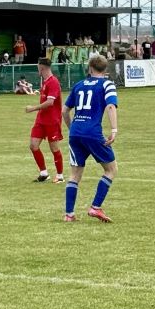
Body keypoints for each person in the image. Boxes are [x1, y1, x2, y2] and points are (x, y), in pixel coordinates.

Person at [62, 54, 118, 223]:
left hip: (75, 133)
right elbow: (110, 106)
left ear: (90, 68)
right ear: (105, 69)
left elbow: (64, 111)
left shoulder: (79, 85)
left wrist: (72, 128)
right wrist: (114, 129)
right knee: (111, 169)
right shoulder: (107, 84)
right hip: (93, 132)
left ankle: (69, 214)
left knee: (74, 174)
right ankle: (95, 207)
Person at [26, 58, 65, 184]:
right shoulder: (45, 82)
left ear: (41, 67)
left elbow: (50, 102)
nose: (37, 69)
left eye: (38, 67)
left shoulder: (53, 82)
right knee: (33, 145)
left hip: (52, 120)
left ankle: (60, 175)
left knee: (54, 148)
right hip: (41, 120)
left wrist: (33, 108)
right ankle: (44, 173)